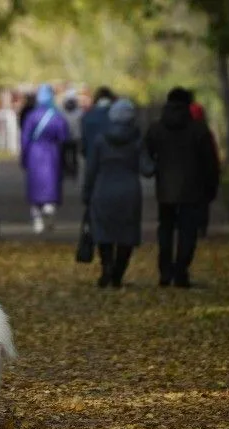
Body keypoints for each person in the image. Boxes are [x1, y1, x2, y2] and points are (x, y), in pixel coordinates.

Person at [145, 87, 219, 288]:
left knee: (166, 229)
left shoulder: (156, 129)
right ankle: (181, 271)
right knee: (188, 232)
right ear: (189, 105)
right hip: (193, 190)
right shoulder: (199, 130)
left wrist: (154, 169)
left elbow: (146, 155)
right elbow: (211, 163)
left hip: (166, 189)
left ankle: (165, 270)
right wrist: (211, 189)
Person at [82, 99, 149, 288]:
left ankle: (106, 268)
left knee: (104, 231)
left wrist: (86, 194)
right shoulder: (137, 141)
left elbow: (91, 170)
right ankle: (118, 273)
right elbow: (146, 169)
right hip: (130, 191)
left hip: (103, 189)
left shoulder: (100, 140)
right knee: (126, 233)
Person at [20, 84, 70, 234]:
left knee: (35, 184)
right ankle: (50, 210)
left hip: (34, 153)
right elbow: (64, 136)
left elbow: (24, 138)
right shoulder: (57, 116)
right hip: (52, 153)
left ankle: (37, 218)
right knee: (51, 183)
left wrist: (24, 156)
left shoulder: (31, 116)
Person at [189, 100, 221, 237]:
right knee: (202, 205)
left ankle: (191, 228)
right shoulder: (206, 133)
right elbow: (212, 158)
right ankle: (201, 229)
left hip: (189, 177)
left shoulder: (185, 132)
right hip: (202, 176)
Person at [81, 86, 116, 164]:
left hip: (92, 158)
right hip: (113, 159)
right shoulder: (117, 116)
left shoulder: (88, 116)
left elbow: (84, 141)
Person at [61, 89, 83, 180]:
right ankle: (73, 172)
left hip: (66, 136)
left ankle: (67, 171)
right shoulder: (79, 111)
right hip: (75, 137)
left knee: (65, 155)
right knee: (73, 156)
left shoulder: (61, 110)